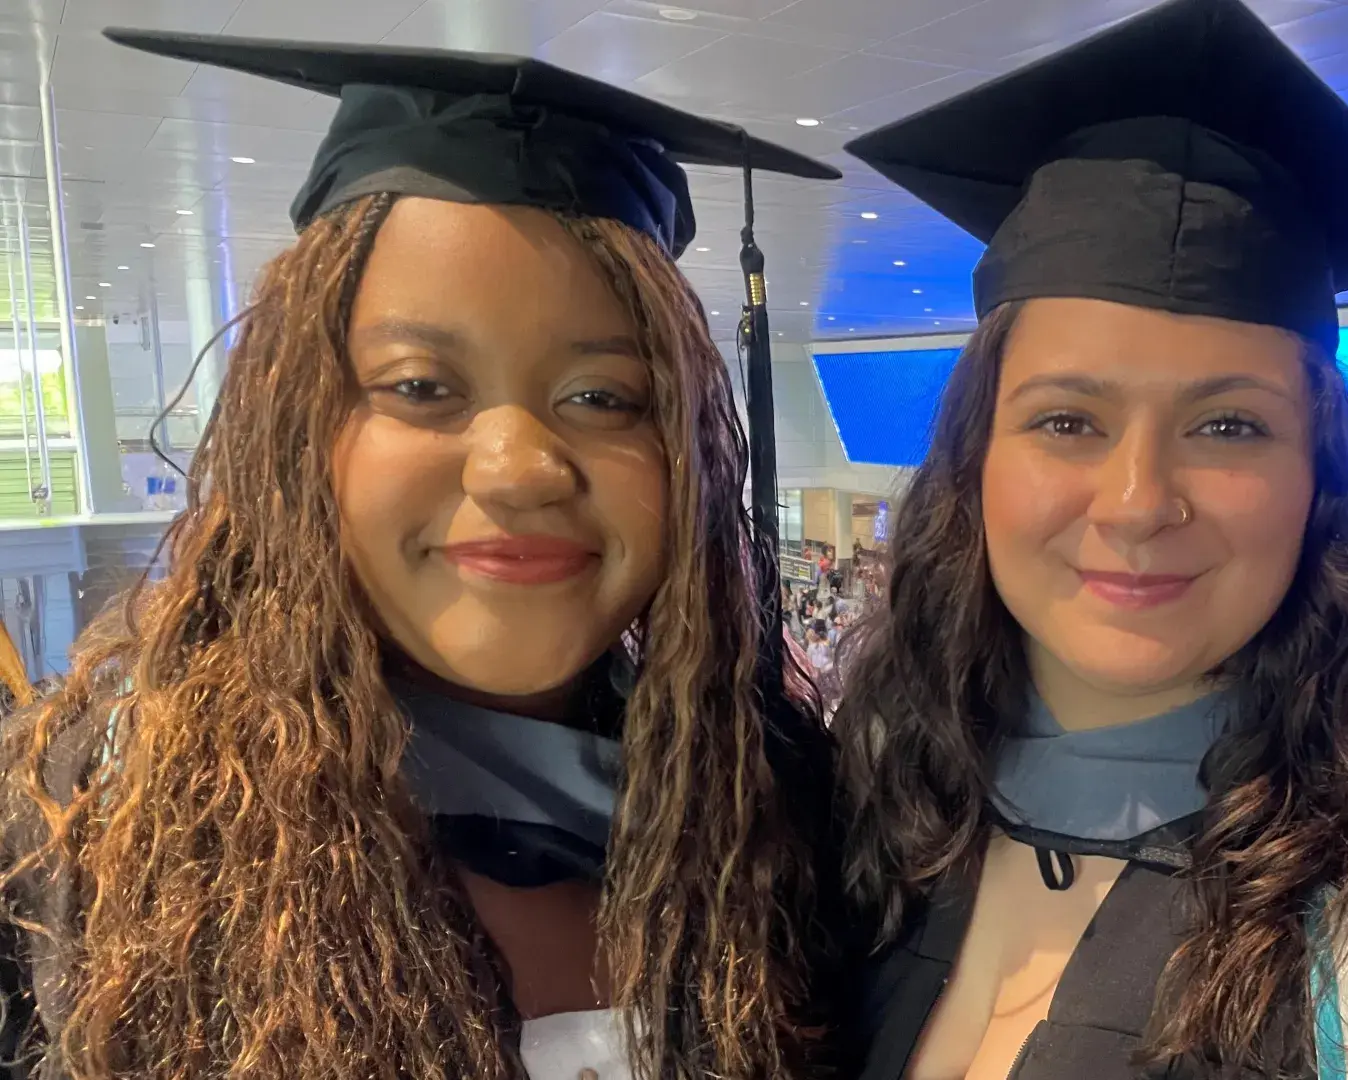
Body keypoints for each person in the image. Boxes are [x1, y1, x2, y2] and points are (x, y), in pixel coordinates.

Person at [0, 30, 844, 1080]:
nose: (518, 466)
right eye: (419, 387)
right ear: (298, 429)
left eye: (602, 397)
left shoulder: (779, 827)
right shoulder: (82, 837)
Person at [835, 3, 1348, 1077]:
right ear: (972, 461)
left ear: (1319, 480)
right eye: (1066, 420)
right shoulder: (873, 814)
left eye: (1229, 425)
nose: (1137, 502)